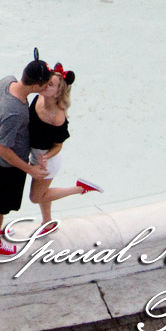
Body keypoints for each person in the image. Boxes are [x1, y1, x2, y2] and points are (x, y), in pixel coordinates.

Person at [0, 59, 52, 256]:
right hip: (7, 165)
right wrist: (29, 169)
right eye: (45, 84)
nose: (47, 86)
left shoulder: (6, 81)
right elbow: (3, 148)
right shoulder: (17, 112)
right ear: (36, 86)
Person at [27, 64, 102, 230]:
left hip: (47, 159)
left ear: (58, 92)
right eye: (46, 82)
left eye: (50, 85)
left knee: (36, 197)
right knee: (43, 193)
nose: (45, 85)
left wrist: (45, 158)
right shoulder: (38, 97)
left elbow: (58, 146)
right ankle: (47, 223)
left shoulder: (57, 118)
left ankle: (80, 188)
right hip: (35, 155)